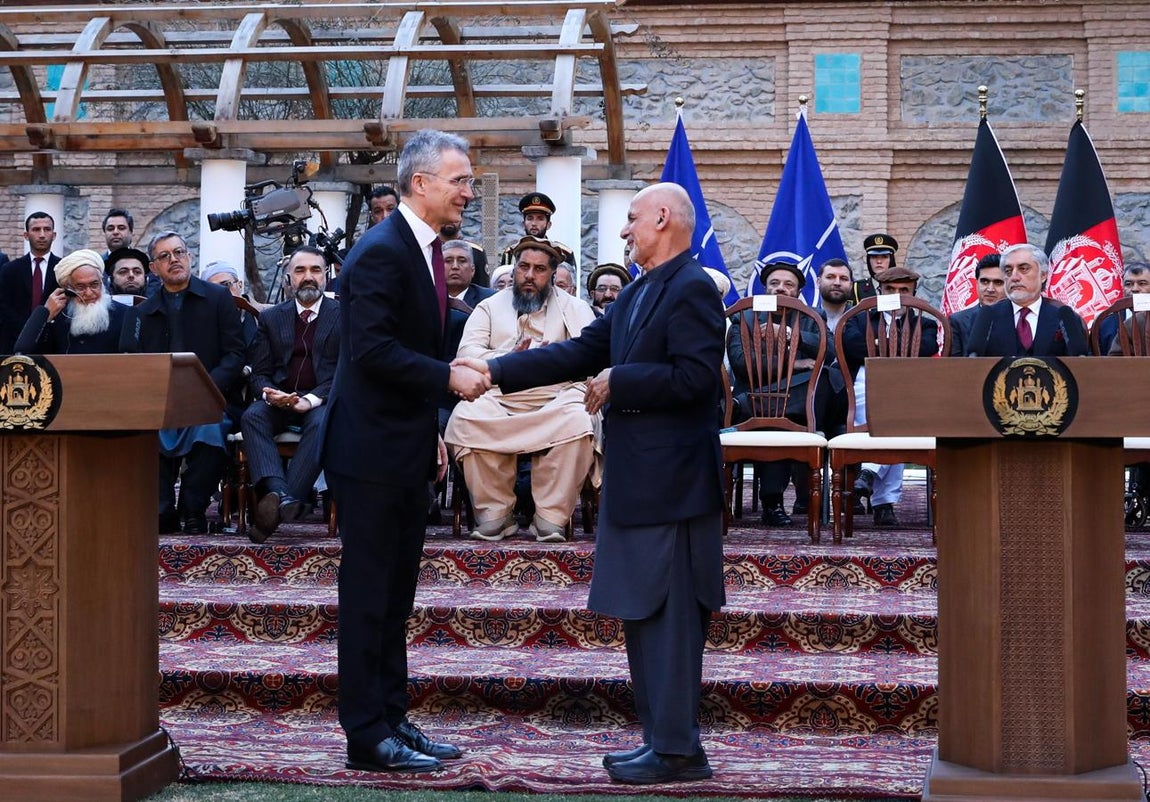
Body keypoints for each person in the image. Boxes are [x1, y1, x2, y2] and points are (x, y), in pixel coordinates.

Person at [456, 182, 725, 785]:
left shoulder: (692, 287)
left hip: (674, 486)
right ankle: (661, 740)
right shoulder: (638, 292)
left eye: (631, 218)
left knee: (673, 619)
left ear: (662, 218)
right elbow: (577, 353)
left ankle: (679, 751)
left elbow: (697, 379)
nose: (624, 230)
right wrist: (493, 369)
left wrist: (620, 381)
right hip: (639, 479)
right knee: (641, 611)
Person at [322, 129, 489, 774]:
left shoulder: (423, 249)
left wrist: (431, 429)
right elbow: (372, 351)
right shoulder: (380, 251)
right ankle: (366, 734)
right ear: (420, 183)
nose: (468, 192)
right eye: (460, 180)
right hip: (369, 453)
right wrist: (448, 377)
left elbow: (409, 344)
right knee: (369, 596)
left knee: (395, 597)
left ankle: (392, 717)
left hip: (404, 445)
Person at [445, 235, 598, 543]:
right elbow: (466, 354)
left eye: (539, 269)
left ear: (552, 273)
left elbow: (591, 358)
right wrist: (508, 359)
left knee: (580, 421)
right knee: (465, 417)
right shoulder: (489, 307)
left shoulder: (576, 308)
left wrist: (548, 361)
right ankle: (495, 514)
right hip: (497, 395)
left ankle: (550, 517)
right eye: (523, 267)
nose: (529, 275)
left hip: (557, 396)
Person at [121, 231, 245, 535]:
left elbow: (234, 354)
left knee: (210, 431)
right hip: (162, 401)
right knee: (146, 429)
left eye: (179, 252)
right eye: (164, 256)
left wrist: (204, 387)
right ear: (154, 268)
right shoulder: (143, 312)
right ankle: (162, 509)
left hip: (211, 398)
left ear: (189, 257)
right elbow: (135, 363)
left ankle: (192, 508)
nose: (174, 260)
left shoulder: (218, 298)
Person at [242, 246, 340, 544]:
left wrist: (309, 400)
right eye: (300, 271)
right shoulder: (272, 318)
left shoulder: (344, 316)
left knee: (323, 423)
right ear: (288, 279)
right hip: (280, 400)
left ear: (326, 276)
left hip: (321, 401)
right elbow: (259, 372)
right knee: (252, 416)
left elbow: (345, 372)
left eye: (315, 270)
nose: (308, 277)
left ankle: (275, 508)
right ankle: (283, 496)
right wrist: (270, 395)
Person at [726, 260, 826, 526]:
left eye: (788, 284)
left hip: (796, 406)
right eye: (774, 283)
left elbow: (828, 353)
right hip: (762, 404)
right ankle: (773, 504)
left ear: (798, 291)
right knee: (775, 417)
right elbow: (741, 363)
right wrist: (796, 363)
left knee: (825, 379)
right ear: (765, 289)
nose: (781, 288)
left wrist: (793, 335)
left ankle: (743, 404)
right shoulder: (745, 317)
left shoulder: (813, 317)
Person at [842, 265, 939, 528]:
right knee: (892, 421)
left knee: (897, 414)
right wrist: (896, 345)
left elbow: (926, 347)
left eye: (904, 290)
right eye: (890, 290)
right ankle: (883, 504)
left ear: (914, 293)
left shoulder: (925, 323)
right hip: (865, 382)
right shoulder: (861, 319)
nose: (897, 295)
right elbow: (852, 346)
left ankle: (869, 473)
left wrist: (876, 344)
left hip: (909, 387)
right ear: (879, 292)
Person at [966, 243, 1089, 357]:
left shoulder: (1065, 318)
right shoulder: (986, 318)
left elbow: (1081, 364)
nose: (1014, 277)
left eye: (1023, 269)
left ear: (1043, 275)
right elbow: (971, 363)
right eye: (1008, 271)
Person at [15, 248, 128, 355]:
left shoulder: (125, 314)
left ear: (102, 282)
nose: (89, 293)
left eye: (94, 284)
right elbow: (32, 353)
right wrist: (46, 316)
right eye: (80, 287)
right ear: (68, 289)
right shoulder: (58, 316)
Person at [0, 212, 61, 353]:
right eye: (36, 229)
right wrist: (28, 331)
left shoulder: (63, 269)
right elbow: (4, 308)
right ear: (26, 235)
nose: (42, 235)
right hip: (15, 344)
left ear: (54, 235)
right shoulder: (9, 269)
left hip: (54, 346)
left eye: (47, 229)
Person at [949, 252, 1005, 356]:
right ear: (976, 283)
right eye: (984, 281)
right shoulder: (958, 320)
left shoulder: (1019, 318)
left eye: (998, 282)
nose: (990, 289)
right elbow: (954, 363)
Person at [498, 192, 555, 266]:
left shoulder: (558, 254)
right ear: (523, 224)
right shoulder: (511, 254)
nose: (534, 223)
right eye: (530, 218)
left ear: (548, 225)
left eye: (540, 219)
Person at [442, 239, 494, 308]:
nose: (455, 266)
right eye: (448, 261)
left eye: (462, 261)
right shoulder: (429, 297)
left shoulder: (490, 299)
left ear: (472, 270)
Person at [850, 232, 898, 304]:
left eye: (884, 257)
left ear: (891, 260)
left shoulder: (900, 287)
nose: (879, 261)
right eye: (874, 257)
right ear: (868, 260)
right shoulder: (857, 288)